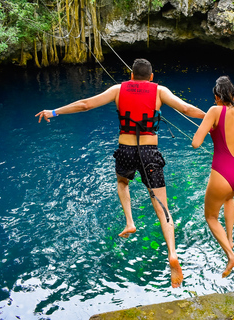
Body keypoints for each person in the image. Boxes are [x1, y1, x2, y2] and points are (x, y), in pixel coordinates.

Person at [35, 58, 205, 288]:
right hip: (149, 151)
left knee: (123, 182)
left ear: (131, 75)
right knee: (161, 205)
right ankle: (172, 253)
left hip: (126, 150)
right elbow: (186, 109)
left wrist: (54, 112)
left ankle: (129, 221)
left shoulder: (118, 89)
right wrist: (212, 117)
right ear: (151, 76)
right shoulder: (160, 91)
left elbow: (85, 104)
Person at [191, 76, 234, 277]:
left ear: (217, 97)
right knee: (228, 197)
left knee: (210, 216)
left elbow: (195, 142)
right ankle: (229, 238)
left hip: (223, 174)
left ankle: (231, 255)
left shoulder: (214, 111)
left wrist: (210, 126)